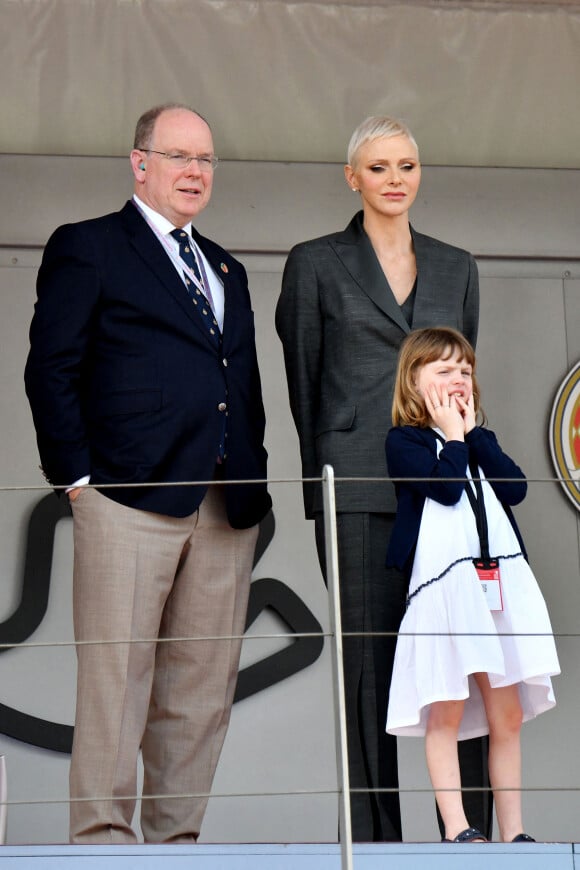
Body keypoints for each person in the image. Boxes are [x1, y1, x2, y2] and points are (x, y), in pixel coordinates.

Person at [24, 103, 272, 844]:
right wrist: (76, 481)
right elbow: (51, 368)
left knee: (200, 696)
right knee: (116, 688)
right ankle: (101, 848)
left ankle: (177, 849)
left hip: (224, 504)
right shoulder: (90, 246)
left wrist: (253, 472)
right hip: (126, 500)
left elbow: (243, 381)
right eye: (178, 157)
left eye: (205, 160)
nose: (195, 172)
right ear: (140, 163)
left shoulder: (225, 264)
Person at [275, 115, 486, 841]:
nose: (395, 180)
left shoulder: (458, 266)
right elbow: (303, 384)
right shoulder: (315, 261)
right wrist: (319, 494)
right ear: (352, 178)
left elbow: (463, 382)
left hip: (446, 487)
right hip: (356, 489)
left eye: (406, 166)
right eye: (379, 167)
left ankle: (470, 834)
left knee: (464, 660)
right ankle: (373, 845)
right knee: (367, 670)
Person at [385, 326, 560, 843]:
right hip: (448, 588)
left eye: (465, 370)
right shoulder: (405, 440)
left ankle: (515, 831)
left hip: (497, 583)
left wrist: (473, 433)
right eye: (443, 370)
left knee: (506, 713)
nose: (459, 379)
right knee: (447, 704)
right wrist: (453, 437)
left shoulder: (480, 439)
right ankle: (458, 828)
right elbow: (444, 486)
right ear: (414, 383)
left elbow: (516, 487)